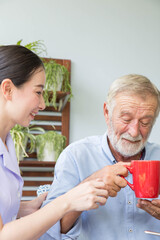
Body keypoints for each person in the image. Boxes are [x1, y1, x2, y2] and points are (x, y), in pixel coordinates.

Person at [0, 45, 109, 240]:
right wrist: (66, 202)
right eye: (38, 92)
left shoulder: (7, 143)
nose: (42, 104)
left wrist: (27, 208)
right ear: (8, 89)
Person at [39, 74, 160, 240]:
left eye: (145, 123)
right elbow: (47, 232)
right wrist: (90, 184)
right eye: (126, 119)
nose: (134, 131)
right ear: (106, 112)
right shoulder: (75, 156)